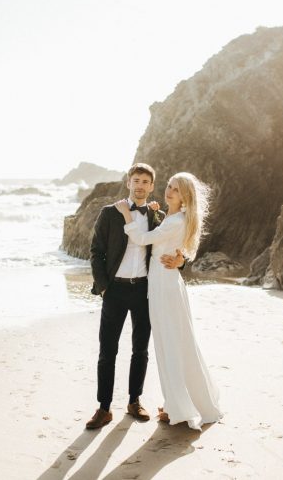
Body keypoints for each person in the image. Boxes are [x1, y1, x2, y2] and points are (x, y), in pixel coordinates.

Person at [114, 172, 222, 430]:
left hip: (164, 285)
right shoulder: (173, 218)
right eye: (169, 186)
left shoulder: (176, 221)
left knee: (169, 345)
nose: (169, 191)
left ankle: (178, 407)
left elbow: (141, 239)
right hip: (166, 282)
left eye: (176, 189)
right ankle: (181, 402)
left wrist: (126, 215)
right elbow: (166, 238)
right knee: (176, 343)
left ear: (185, 196)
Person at [86, 163, 185, 430]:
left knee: (140, 350)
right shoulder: (109, 213)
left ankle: (134, 401)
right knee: (108, 351)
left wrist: (180, 262)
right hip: (114, 290)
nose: (140, 185)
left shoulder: (158, 216)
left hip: (144, 290)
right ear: (128, 182)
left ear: (152, 186)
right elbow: (96, 252)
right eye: (136, 180)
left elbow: (175, 245)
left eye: (145, 182)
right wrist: (104, 286)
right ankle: (104, 408)